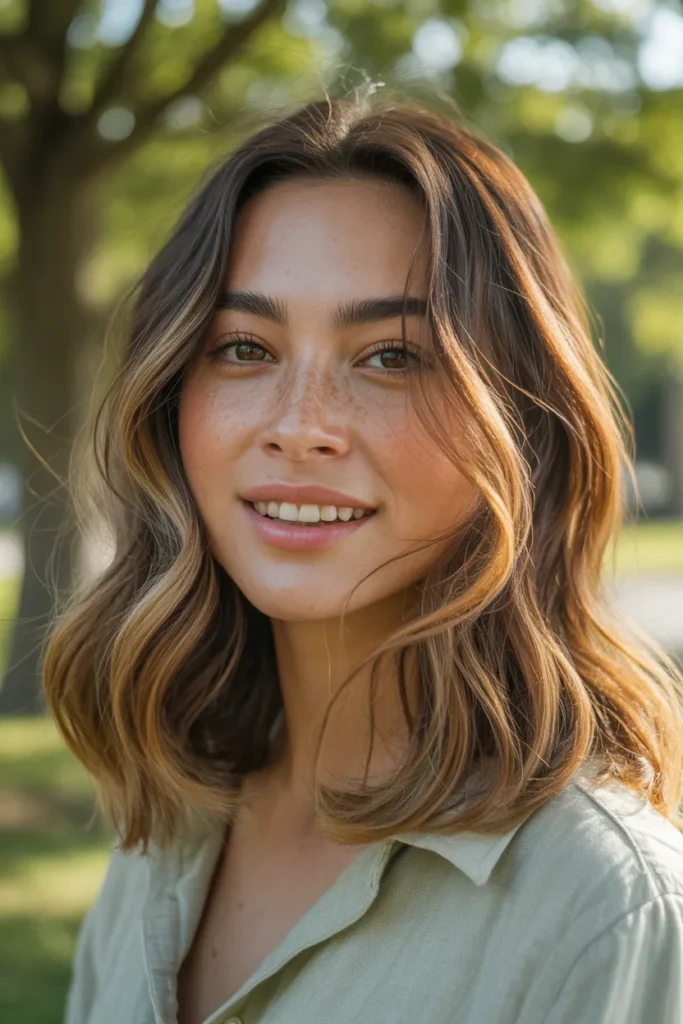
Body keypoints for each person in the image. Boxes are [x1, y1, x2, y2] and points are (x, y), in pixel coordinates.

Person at [45, 91, 683, 1024]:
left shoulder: (606, 911)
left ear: (522, 423)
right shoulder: (167, 831)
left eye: (390, 356)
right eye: (244, 348)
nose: (300, 427)